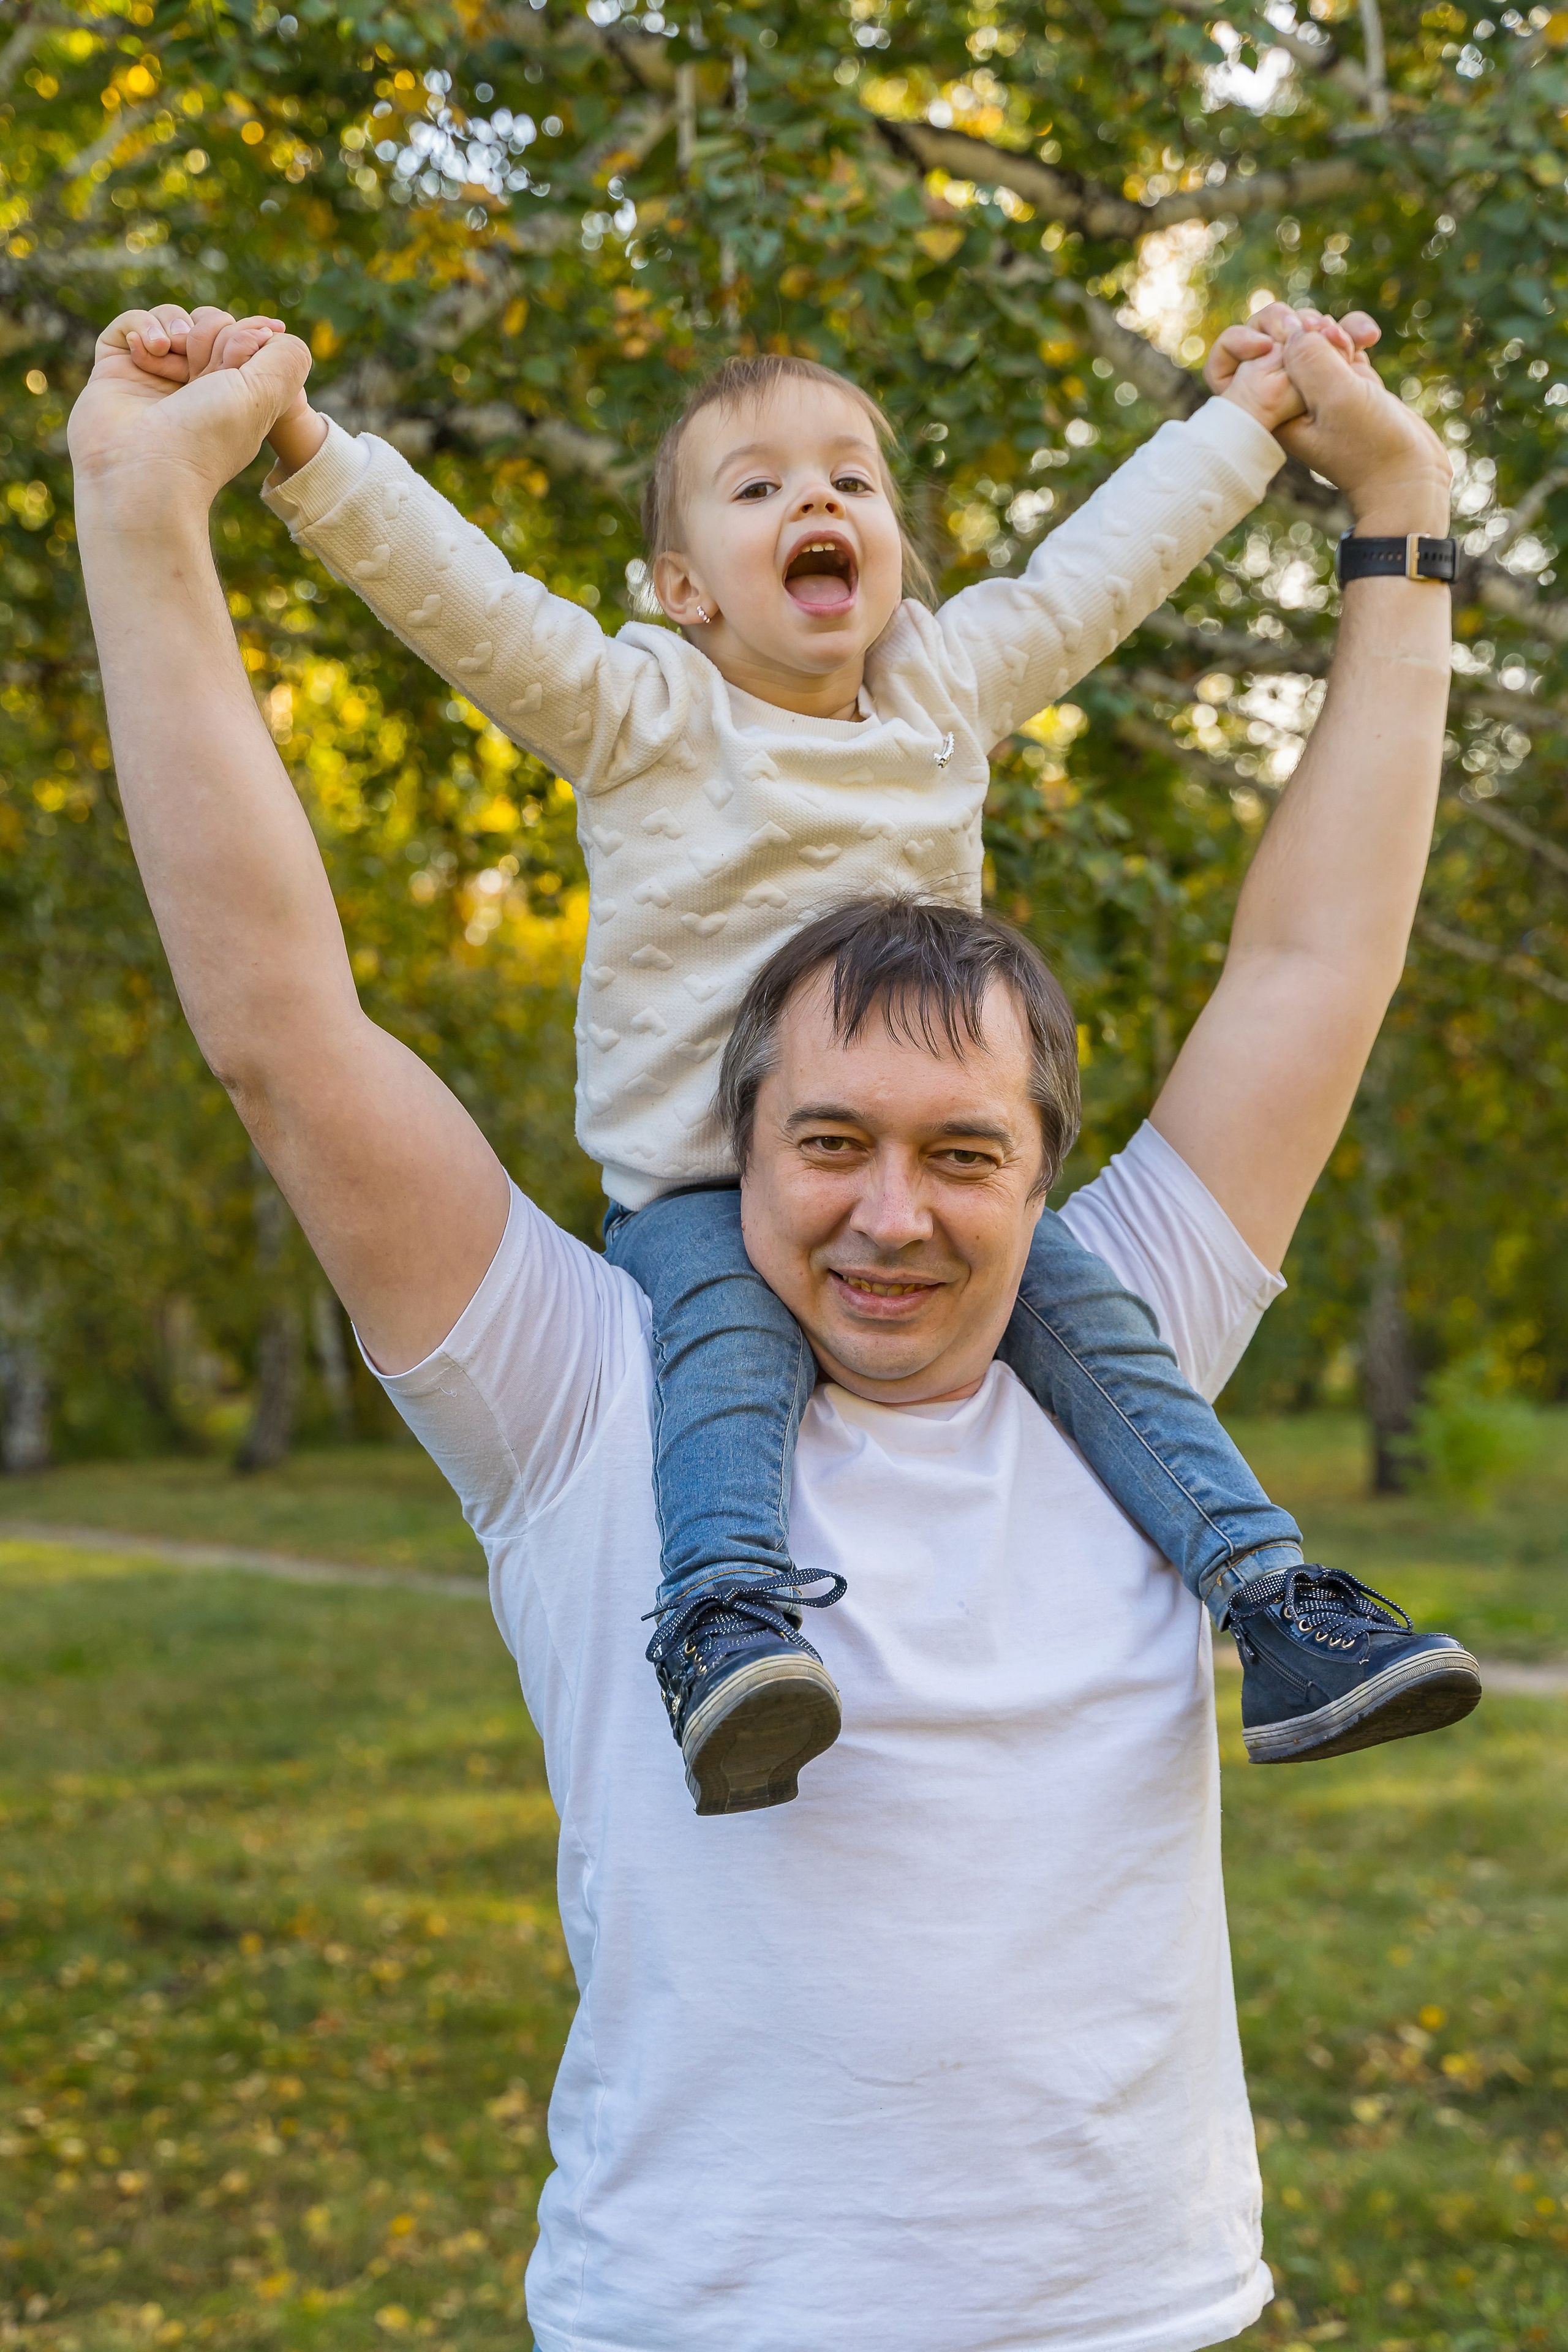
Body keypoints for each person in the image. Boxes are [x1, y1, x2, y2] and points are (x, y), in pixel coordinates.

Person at [74, 311, 1474, 2350]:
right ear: (744, 1141)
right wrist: (152, 503)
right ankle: (733, 1625)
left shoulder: (1128, 1334)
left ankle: (1296, 1609)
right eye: (826, 1142)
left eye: (962, 1153)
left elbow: (1321, 954)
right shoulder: (580, 1388)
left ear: (1041, 1164)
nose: (895, 1217)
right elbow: (285, 1028)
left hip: (1151, 2320)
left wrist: (1402, 510)